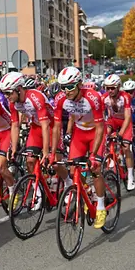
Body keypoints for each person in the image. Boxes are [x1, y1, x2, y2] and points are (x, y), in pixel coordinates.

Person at [52, 66, 108, 228]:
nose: (66, 91)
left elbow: (100, 128)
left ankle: (101, 207)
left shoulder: (93, 97)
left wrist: (93, 155)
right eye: (63, 87)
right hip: (79, 134)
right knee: (72, 169)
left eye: (70, 87)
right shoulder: (60, 99)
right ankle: (86, 191)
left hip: (96, 133)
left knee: (95, 168)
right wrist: (53, 151)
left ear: (79, 84)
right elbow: (56, 127)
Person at [103, 78, 135, 190]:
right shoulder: (104, 97)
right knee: (104, 136)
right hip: (113, 120)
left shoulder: (125, 97)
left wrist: (121, 133)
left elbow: (128, 117)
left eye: (112, 88)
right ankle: (111, 158)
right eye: (107, 88)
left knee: (126, 147)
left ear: (118, 87)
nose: (110, 90)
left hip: (125, 121)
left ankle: (131, 176)